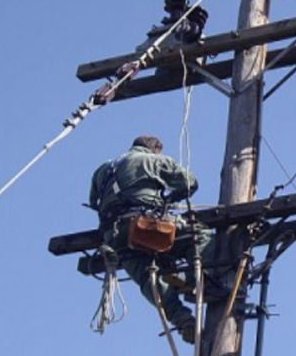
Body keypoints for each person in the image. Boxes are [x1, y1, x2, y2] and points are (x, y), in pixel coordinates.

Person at [88, 135, 214, 344]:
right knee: (199, 235)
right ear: (155, 148)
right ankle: (195, 280)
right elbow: (189, 182)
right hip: (144, 224)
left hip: (114, 237)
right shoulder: (153, 160)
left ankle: (183, 320)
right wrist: (169, 198)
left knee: (149, 278)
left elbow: (94, 202)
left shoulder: (103, 169)